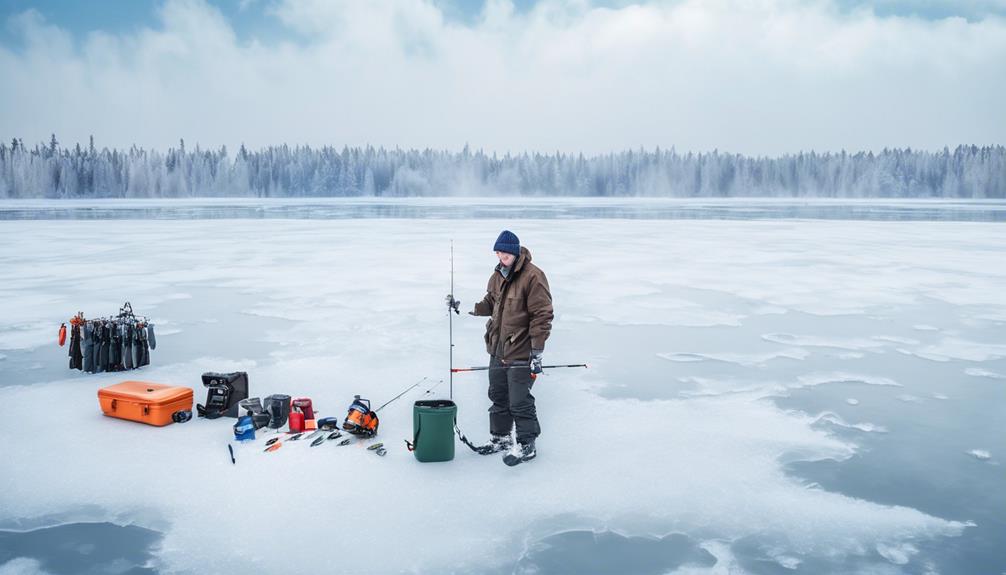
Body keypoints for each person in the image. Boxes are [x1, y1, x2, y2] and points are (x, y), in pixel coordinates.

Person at [468, 230, 553, 465]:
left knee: (519, 401)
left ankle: (527, 445)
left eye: (504, 255)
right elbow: (490, 302)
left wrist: (537, 351)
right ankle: (501, 439)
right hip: (497, 349)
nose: (500, 259)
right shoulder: (497, 275)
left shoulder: (533, 277)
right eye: (497, 254)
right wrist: (470, 307)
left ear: (515, 254)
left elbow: (542, 315)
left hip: (522, 351)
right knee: (498, 396)